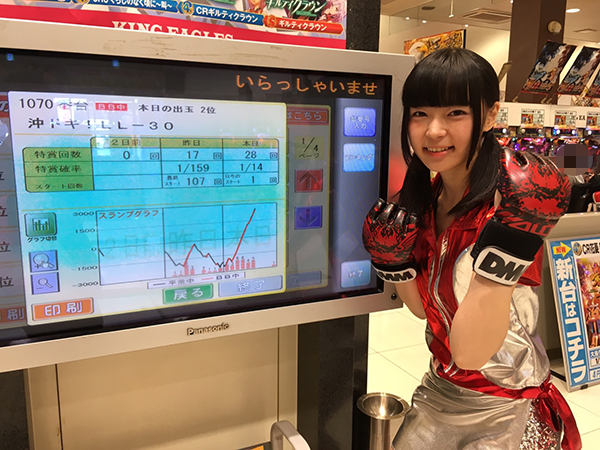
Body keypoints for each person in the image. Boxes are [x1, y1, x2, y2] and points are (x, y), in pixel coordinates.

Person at [362, 48, 582, 450]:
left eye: (455, 113)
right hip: (441, 387)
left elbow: (470, 354)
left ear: (491, 114)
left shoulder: (508, 209)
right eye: (420, 113)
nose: (433, 131)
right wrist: (393, 263)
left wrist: (511, 242)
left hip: (506, 407)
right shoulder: (425, 200)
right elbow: (423, 310)